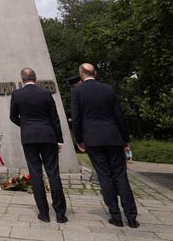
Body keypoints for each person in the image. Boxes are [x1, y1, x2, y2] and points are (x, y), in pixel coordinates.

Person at [71, 63, 139, 228]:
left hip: (93, 139)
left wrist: (79, 140)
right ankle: (131, 217)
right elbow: (119, 116)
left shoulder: (77, 91)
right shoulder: (108, 89)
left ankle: (115, 216)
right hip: (113, 137)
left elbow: (76, 118)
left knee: (104, 176)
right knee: (121, 175)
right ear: (95, 73)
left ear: (81, 74)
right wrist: (125, 138)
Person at [10, 68, 67, 224]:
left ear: (22, 79)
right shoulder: (46, 94)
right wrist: (59, 140)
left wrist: (25, 125)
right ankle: (60, 214)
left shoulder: (17, 95)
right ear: (35, 78)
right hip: (48, 136)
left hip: (29, 138)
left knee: (35, 174)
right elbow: (55, 119)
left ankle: (44, 213)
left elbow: (12, 117)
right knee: (53, 173)